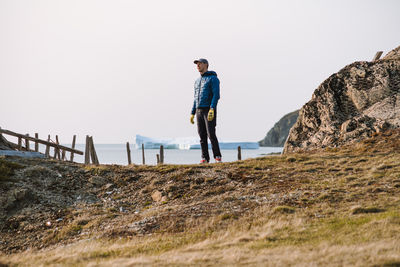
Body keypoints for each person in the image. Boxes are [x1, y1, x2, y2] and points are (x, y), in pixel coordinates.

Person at [190, 58, 222, 163]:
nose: (198, 65)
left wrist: (212, 108)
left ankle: (217, 156)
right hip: (199, 110)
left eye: (200, 63)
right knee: (201, 135)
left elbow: (216, 95)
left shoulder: (213, 79)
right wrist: (192, 112)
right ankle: (204, 158)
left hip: (208, 109)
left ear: (206, 65)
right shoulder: (197, 81)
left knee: (211, 134)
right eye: (197, 64)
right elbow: (195, 97)